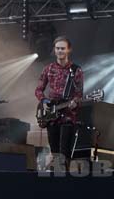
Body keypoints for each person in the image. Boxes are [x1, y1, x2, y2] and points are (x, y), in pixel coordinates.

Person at [35, 36, 84, 165]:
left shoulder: (76, 70)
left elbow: (79, 94)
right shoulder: (48, 69)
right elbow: (38, 90)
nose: (60, 51)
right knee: (55, 153)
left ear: (69, 50)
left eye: (62, 48)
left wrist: (74, 103)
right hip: (51, 116)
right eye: (57, 48)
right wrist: (44, 101)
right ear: (54, 50)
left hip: (68, 116)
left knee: (64, 154)